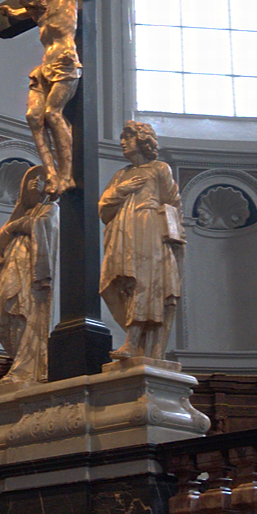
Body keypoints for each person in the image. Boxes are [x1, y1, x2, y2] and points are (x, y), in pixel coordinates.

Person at [0, 0, 144, 195]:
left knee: (54, 114)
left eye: (32, 1)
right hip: (44, 68)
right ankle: (51, 174)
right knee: (33, 117)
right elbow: (23, 13)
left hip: (66, 63)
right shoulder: (37, 13)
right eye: (28, 6)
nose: (32, 9)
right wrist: (12, 13)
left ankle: (67, 176)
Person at [98, 122, 185, 364]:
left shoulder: (159, 169)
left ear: (143, 141)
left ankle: (137, 343)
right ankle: (137, 342)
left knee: (148, 286)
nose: (123, 142)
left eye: (129, 137)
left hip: (151, 233)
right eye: (122, 137)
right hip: (124, 234)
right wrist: (121, 190)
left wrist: (172, 239)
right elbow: (103, 210)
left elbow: (173, 204)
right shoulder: (121, 175)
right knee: (118, 285)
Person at [0, 167, 57, 386]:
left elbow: (45, 228)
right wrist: (15, 225)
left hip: (31, 272)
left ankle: (26, 367)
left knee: (23, 314)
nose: (33, 184)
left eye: (39, 181)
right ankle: (21, 361)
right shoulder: (25, 212)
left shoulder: (51, 209)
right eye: (30, 181)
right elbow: (2, 239)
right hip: (14, 268)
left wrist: (19, 226)